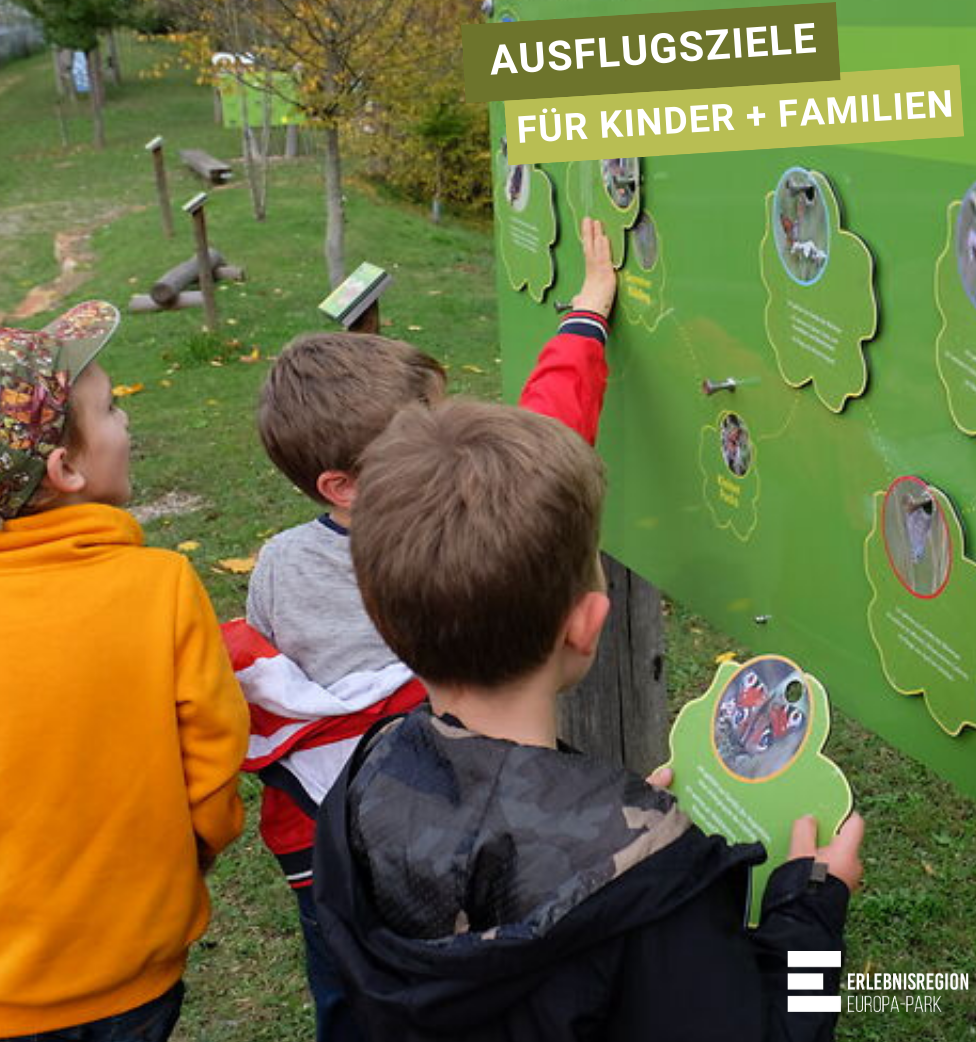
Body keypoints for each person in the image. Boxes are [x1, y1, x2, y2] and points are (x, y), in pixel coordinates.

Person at [314, 396, 864, 1042]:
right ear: (586, 624)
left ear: (378, 614)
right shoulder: (653, 904)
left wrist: (608, 822)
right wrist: (810, 919)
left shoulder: (360, 784)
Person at [229, 219, 619, 1041]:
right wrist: (584, 318)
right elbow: (547, 439)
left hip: (335, 849)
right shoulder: (469, 533)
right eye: (422, 439)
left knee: (354, 987)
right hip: (456, 837)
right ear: (343, 485)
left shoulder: (275, 566)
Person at [0, 302, 250, 1042]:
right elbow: (214, 760)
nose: (126, 423)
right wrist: (192, 855)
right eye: (111, 409)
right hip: (136, 967)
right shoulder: (161, 587)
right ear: (67, 468)